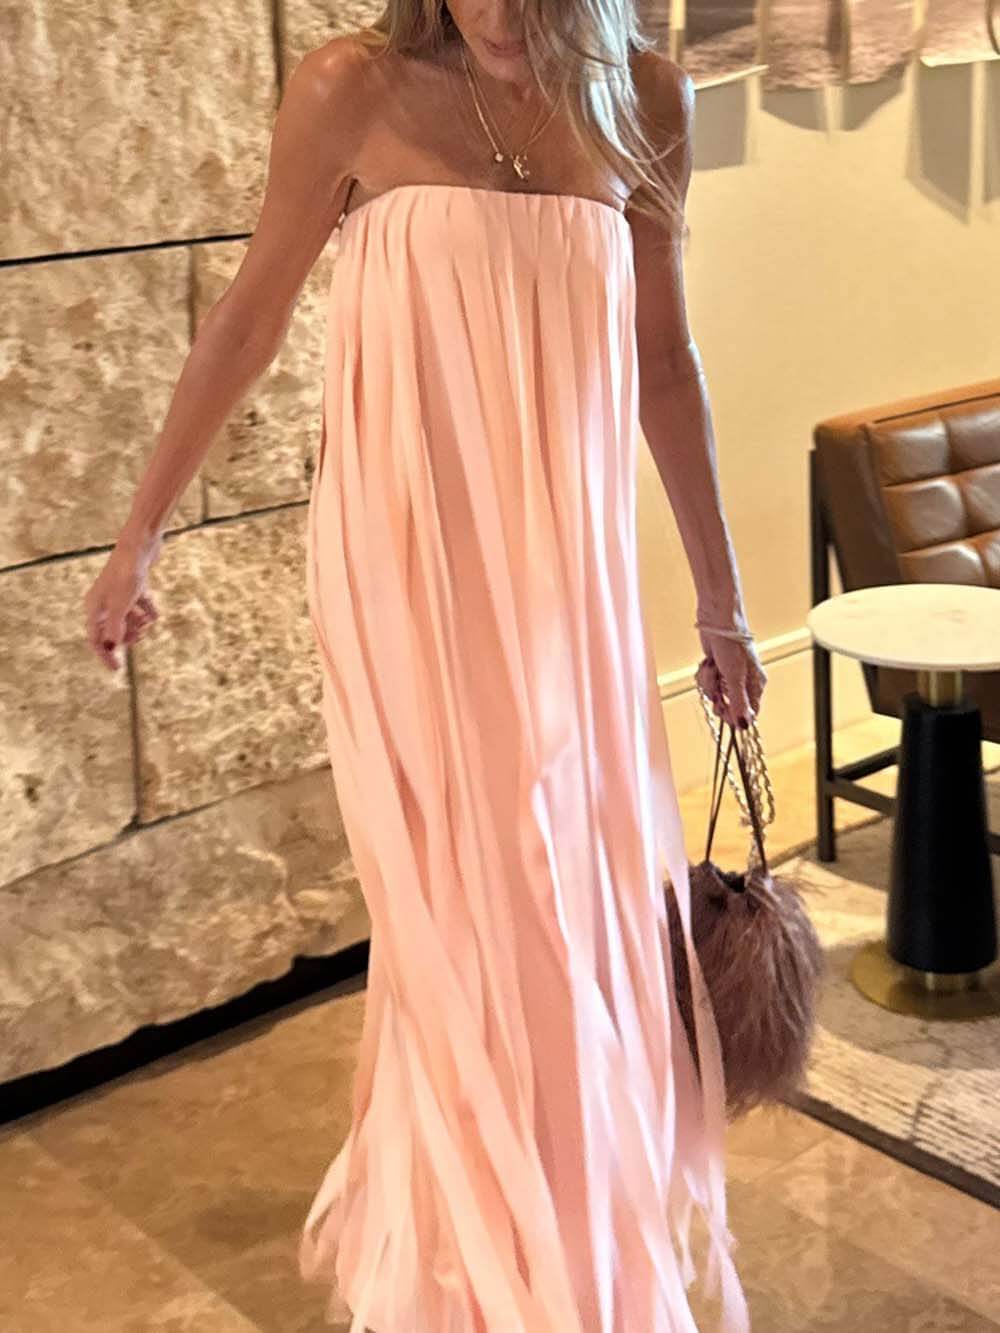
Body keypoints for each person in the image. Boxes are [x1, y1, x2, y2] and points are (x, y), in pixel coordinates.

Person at [84, 2, 766, 1329]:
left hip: (566, 584)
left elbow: (663, 362)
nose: (502, 14)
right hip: (407, 569)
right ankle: (479, 1269)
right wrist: (138, 537)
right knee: (464, 900)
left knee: (564, 897)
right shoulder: (350, 89)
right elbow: (247, 319)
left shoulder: (649, 102)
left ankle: (557, 1242)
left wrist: (722, 601)